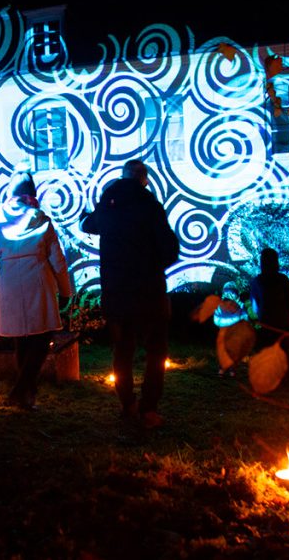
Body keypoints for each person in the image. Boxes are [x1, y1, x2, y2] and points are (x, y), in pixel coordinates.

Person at [81, 160, 179, 429]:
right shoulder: (150, 205)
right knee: (156, 352)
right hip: (149, 293)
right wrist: (152, 265)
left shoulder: (108, 203)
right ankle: (148, 410)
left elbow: (88, 225)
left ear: (122, 177)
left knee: (122, 351)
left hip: (116, 293)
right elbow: (171, 249)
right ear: (143, 179)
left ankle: (127, 404)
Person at [0, 171, 73, 410]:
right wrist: (66, 291)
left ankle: (26, 398)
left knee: (21, 341)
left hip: (9, 285)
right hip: (38, 283)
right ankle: (20, 392)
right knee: (42, 338)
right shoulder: (42, 220)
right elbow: (58, 261)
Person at [248, 248, 289, 352]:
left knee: (268, 354)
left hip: (266, 323)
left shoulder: (258, 281)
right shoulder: (283, 279)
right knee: (282, 354)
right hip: (283, 323)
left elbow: (255, 305)